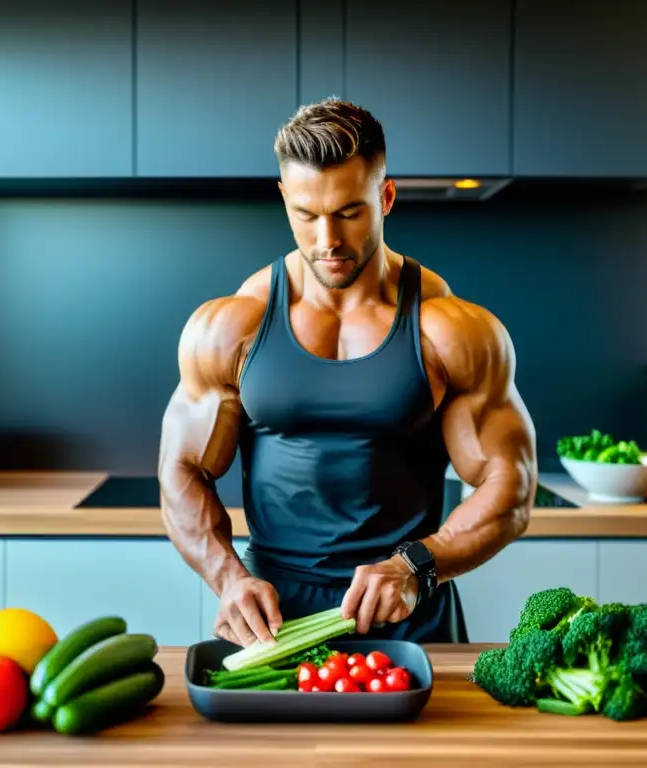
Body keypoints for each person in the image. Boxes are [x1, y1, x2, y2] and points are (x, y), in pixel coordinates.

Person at [158, 98, 537, 647]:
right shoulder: (234, 325)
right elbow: (182, 469)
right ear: (285, 199)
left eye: (349, 212)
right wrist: (228, 579)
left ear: (385, 197)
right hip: (269, 624)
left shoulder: (450, 329)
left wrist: (415, 565)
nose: (327, 240)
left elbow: (511, 486)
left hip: (410, 616)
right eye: (306, 216)